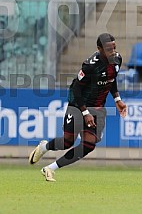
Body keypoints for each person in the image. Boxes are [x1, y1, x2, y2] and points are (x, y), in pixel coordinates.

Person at [28, 33, 127, 182]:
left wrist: (117, 99)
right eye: (108, 49)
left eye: (114, 47)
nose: (113, 51)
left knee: (89, 144)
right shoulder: (90, 65)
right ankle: (44, 147)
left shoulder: (117, 59)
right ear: (99, 49)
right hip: (78, 104)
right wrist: (85, 112)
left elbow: (110, 79)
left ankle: (50, 168)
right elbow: (76, 89)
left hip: (98, 108)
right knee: (67, 142)